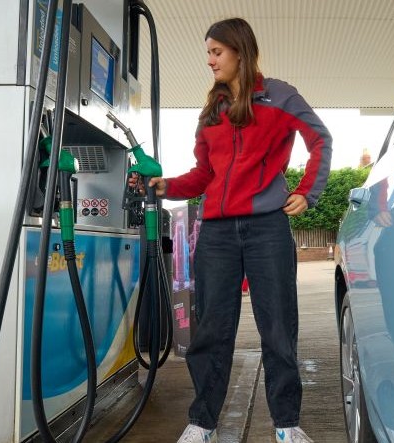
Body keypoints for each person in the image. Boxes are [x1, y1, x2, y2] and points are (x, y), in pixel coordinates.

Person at [131, 17, 331, 443]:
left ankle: (286, 425)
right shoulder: (211, 113)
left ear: (240, 50)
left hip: (267, 229)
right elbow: (203, 175)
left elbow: (320, 139)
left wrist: (308, 191)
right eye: (208, 53)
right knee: (211, 331)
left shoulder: (280, 96)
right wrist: (166, 186)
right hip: (218, 234)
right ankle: (202, 422)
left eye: (216, 52)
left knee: (278, 327)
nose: (210, 61)